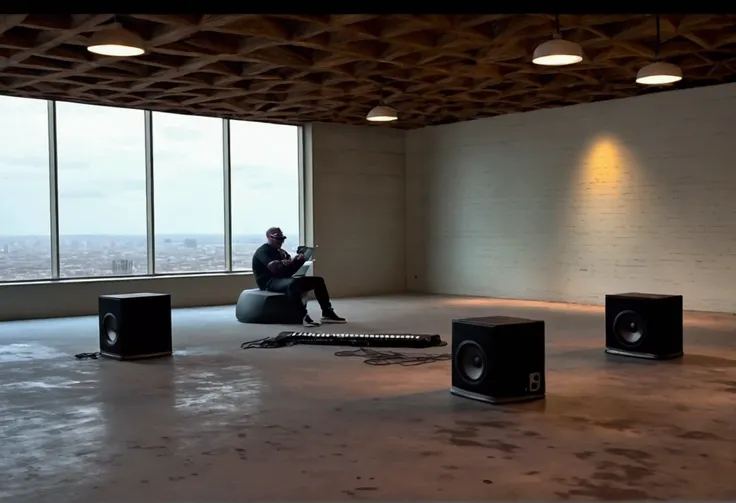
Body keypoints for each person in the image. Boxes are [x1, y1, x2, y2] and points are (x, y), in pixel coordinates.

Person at [252, 227, 346, 327]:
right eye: (277, 238)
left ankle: (327, 311)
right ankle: (302, 315)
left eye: (282, 238)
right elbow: (276, 269)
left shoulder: (280, 252)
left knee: (318, 281)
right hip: (268, 282)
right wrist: (291, 262)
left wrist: (299, 260)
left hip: (281, 279)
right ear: (268, 237)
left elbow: (288, 272)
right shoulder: (263, 251)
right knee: (293, 283)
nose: (281, 241)